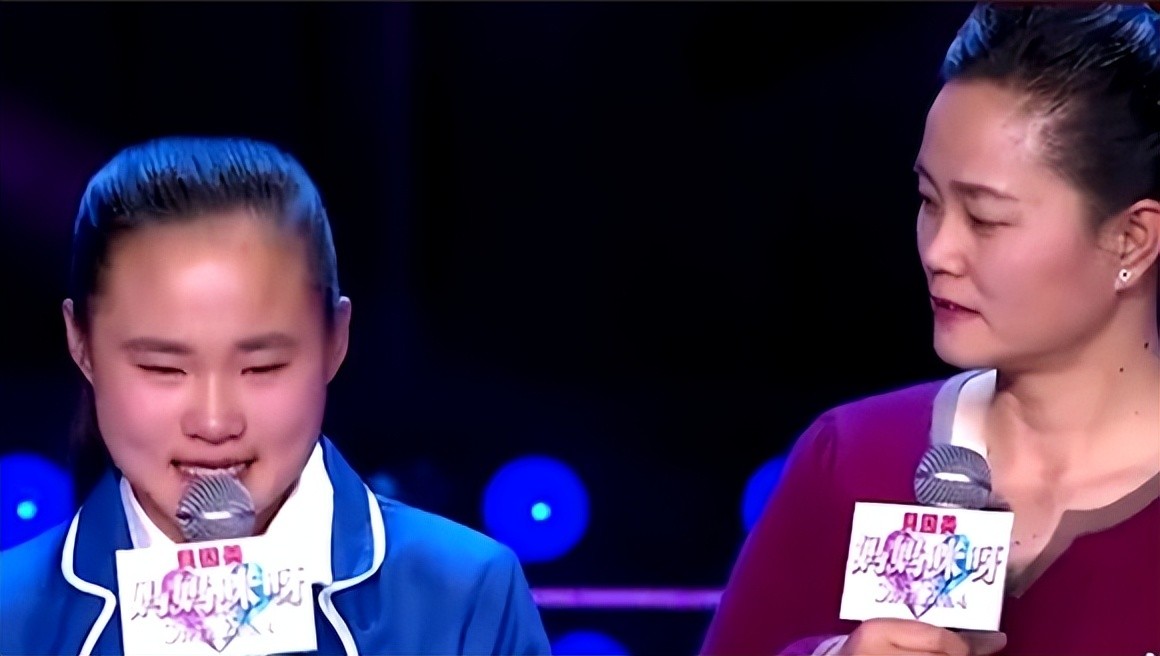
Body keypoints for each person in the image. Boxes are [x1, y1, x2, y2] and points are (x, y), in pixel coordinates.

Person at [701, 3, 1159, 655]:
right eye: (928, 201)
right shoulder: (852, 458)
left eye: (986, 218)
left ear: (1133, 239)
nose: (939, 251)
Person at [0, 136, 552, 655]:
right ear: (82, 345)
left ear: (335, 341)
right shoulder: (12, 616)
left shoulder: (464, 598)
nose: (214, 422)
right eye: (163, 368)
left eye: (262, 367)